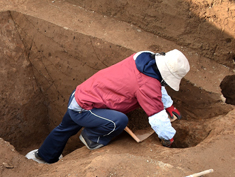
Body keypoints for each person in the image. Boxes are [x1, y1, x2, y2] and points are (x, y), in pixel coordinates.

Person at [26, 49, 190, 164]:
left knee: (65, 129)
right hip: (86, 109)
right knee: (118, 121)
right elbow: (156, 116)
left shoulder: (143, 58)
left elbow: (157, 84)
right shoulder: (146, 84)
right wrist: (168, 137)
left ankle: (43, 157)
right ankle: (92, 138)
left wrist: (168, 105)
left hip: (80, 96)